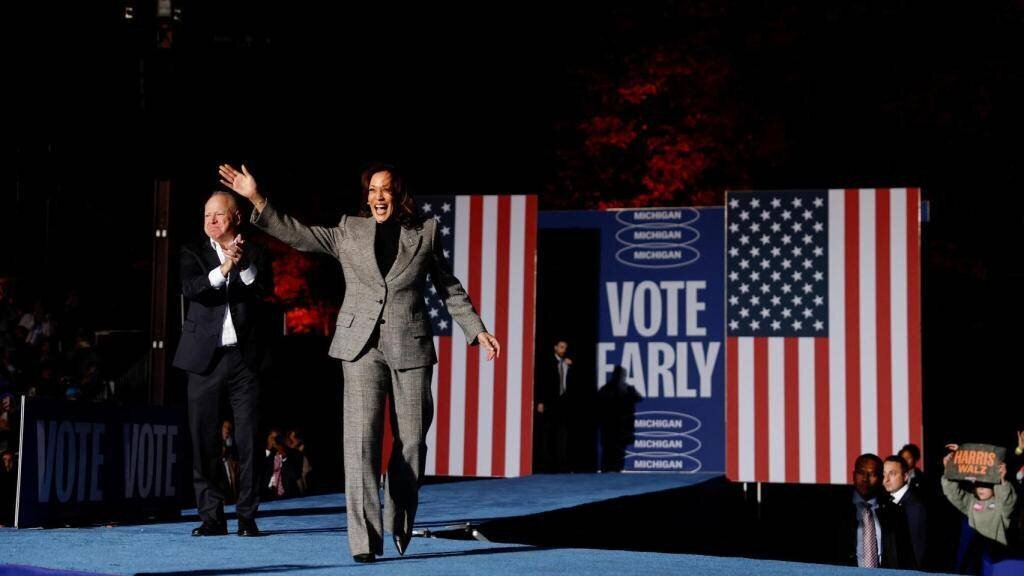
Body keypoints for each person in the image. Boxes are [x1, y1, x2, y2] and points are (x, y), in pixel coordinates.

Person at [219, 162, 500, 563]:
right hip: (360, 347)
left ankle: (399, 515)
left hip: (411, 346)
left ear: (398, 194)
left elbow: (447, 285)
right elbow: (300, 236)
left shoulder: (425, 232)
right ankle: (365, 542)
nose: (378, 196)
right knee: (360, 444)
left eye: (385, 190)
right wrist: (256, 198)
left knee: (412, 444)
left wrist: (477, 329)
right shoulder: (350, 230)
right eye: (372, 190)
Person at [172, 191, 271, 538]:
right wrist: (224, 267)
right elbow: (192, 288)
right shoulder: (192, 251)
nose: (211, 221)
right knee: (204, 442)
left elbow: (261, 289)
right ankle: (212, 517)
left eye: (219, 215)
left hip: (245, 360)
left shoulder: (255, 250)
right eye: (206, 215)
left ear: (236, 217)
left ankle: (247, 516)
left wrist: (241, 263)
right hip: (205, 359)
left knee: (249, 439)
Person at [839, 453, 915, 568]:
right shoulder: (838, 510)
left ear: (881, 478)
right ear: (854, 475)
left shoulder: (895, 511)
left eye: (872, 474)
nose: (865, 479)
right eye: (861, 473)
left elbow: (906, 557)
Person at [883, 455, 928, 568]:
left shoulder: (915, 506)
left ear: (905, 476)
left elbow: (917, 549)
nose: (886, 479)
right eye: (883, 474)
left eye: (892, 474)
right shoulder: (885, 500)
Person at [537, 339, 572, 472]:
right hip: (550, 403)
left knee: (563, 434)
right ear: (555, 347)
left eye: (565, 348)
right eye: (562, 347)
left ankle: (562, 465)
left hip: (564, 403)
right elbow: (541, 382)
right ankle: (547, 465)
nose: (564, 350)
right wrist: (540, 401)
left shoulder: (567, 363)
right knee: (548, 433)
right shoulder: (547, 362)